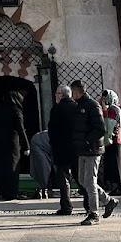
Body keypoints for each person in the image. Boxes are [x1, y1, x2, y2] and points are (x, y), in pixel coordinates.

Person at [70, 80, 118, 225]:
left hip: (92, 149)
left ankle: (94, 213)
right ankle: (108, 200)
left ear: (77, 91)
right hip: (82, 150)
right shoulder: (78, 106)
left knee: (90, 181)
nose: (72, 95)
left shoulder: (92, 105)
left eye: (73, 92)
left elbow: (100, 128)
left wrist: (87, 141)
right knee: (82, 180)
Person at [0, 89, 30, 200]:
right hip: (12, 143)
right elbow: (20, 129)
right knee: (12, 167)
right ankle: (12, 192)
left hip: (0, 143)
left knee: (2, 166)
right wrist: (26, 146)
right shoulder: (16, 111)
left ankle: (3, 190)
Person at [47, 85, 77, 215]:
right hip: (77, 147)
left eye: (56, 94)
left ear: (61, 95)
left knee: (63, 178)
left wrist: (53, 143)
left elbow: (52, 130)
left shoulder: (57, 109)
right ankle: (89, 205)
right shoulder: (77, 107)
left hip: (61, 148)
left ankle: (66, 206)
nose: (55, 96)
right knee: (81, 177)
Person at [99, 89, 121, 195]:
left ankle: (119, 186)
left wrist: (104, 110)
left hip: (113, 139)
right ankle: (117, 186)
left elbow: (108, 124)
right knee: (114, 162)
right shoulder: (116, 108)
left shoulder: (113, 109)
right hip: (114, 139)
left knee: (115, 163)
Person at [28, 128, 54, 199]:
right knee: (44, 168)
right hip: (38, 144)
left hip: (44, 143)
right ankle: (43, 189)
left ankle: (44, 188)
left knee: (45, 167)